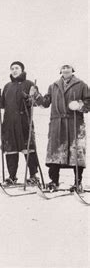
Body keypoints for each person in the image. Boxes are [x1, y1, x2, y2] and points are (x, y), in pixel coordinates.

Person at [32, 64, 89, 192]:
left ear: (72, 70)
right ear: (60, 71)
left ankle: (77, 182)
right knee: (54, 153)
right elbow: (45, 103)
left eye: (68, 67)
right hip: (56, 124)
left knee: (76, 153)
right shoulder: (53, 86)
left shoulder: (81, 85)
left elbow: (88, 103)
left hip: (74, 123)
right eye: (63, 68)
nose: (65, 70)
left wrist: (80, 105)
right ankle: (54, 181)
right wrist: (36, 96)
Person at [0, 61, 40, 185]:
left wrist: (29, 97)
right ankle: (12, 176)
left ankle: (33, 175)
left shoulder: (29, 84)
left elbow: (35, 102)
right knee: (11, 149)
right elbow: (2, 105)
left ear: (22, 70)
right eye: (12, 68)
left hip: (24, 121)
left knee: (28, 149)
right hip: (9, 122)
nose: (14, 70)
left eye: (17, 68)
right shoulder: (7, 86)